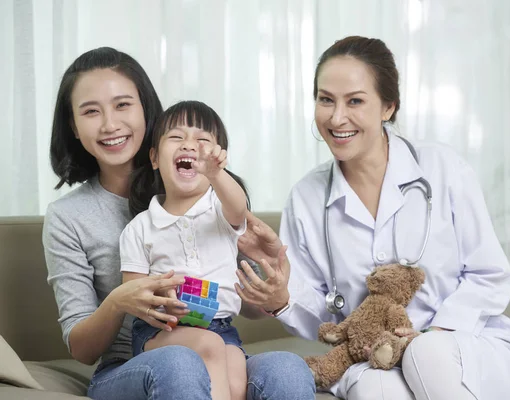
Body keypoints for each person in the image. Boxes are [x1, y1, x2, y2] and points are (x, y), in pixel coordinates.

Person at [236, 36, 510, 399]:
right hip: (376, 358)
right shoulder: (307, 198)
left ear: (388, 106)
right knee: (374, 389)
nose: (337, 118)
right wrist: (281, 294)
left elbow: (489, 274)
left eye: (354, 100)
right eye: (326, 100)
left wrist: (436, 333)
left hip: (461, 343)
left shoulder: (443, 169)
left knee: (426, 353)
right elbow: (322, 315)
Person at [43, 47, 315, 400]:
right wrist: (118, 302)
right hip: (133, 364)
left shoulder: (200, 186)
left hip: (216, 347)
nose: (110, 124)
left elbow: (247, 303)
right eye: (91, 111)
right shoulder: (69, 217)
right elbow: (82, 349)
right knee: (180, 363)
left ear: (147, 111)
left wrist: (273, 278)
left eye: (123, 105)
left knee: (287, 368)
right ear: (74, 127)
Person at [121, 100, 250, 400]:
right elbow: (132, 293)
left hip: (222, 327)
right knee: (209, 346)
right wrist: (157, 299)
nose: (189, 145)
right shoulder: (141, 227)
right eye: (177, 137)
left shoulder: (221, 211)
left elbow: (239, 207)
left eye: (203, 140)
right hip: (160, 331)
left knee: (235, 377)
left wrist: (217, 175)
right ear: (154, 158)